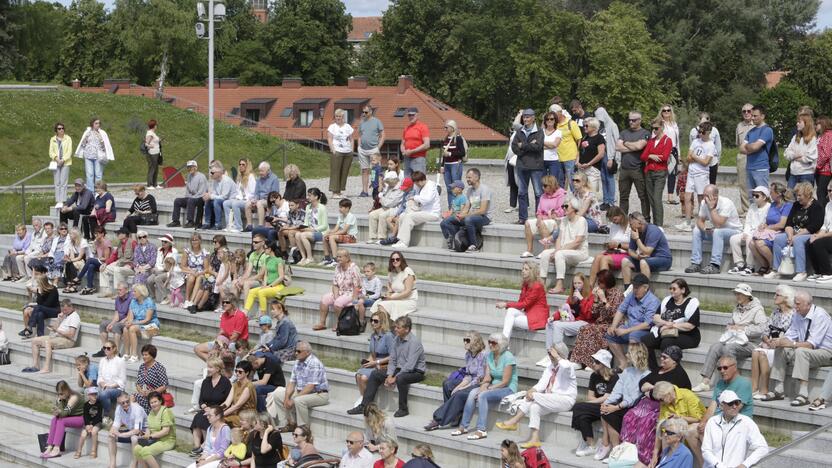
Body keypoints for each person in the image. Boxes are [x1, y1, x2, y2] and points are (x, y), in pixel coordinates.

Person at [496, 345, 577, 449]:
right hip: (551, 398)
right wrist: (532, 390)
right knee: (534, 407)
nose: (549, 356)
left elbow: (565, 365)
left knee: (534, 397)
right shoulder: (550, 367)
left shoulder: (568, 366)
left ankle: (514, 421)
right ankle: (535, 439)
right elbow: (541, 384)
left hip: (566, 400)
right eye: (549, 353)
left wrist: (557, 356)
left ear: (559, 354)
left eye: (551, 354)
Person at [692, 283, 767, 393]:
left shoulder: (757, 309)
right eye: (736, 294)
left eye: (740, 294)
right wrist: (730, 327)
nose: (737, 296)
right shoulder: (736, 308)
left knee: (729, 348)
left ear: (747, 296)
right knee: (715, 347)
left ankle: (731, 382)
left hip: (752, 343)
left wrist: (742, 329)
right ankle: (705, 382)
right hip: (735, 340)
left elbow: (762, 328)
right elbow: (732, 324)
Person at [764, 290, 832, 405]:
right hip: (806, 351)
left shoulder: (820, 315)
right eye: (795, 303)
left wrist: (791, 344)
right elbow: (790, 336)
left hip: (825, 352)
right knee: (781, 348)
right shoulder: (797, 314)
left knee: (801, 351)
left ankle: (803, 394)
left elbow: (811, 344)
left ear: (808, 305)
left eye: (798, 304)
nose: (795, 307)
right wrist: (778, 341)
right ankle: (778, 389)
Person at [349, 317, 425, 417]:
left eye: (398, 328)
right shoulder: (396, 339)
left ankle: (403, 408)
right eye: (395, 327)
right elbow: (393, 360)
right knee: (376, 374)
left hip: (415, 371)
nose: (396, 330)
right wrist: (389, 375)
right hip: (400, 368)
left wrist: (395, 377)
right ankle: (365, 405)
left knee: (401, 379)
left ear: (407, 329)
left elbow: (409, 366)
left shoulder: (414, 343)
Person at [452, 332, 516, 440]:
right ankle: (463, 426)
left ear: (501, 344)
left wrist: (488, 389)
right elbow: (487, 377)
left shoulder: (508, 357)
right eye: (489, 342)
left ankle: (481, 430)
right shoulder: (490, 355)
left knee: (482, 396)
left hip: (508, 388)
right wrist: (483, 387)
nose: (490, 345)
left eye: (494, 343)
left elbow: (505, 381)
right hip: (493, 385)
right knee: (473, 393)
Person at [424, 331, 486, 431]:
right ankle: (455, 416)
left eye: (467, 340)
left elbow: (480, 378)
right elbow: (468, 375)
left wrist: (462, 388)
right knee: (448, 384)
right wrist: (458, 386)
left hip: (480, 384)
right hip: (471, 381)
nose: (465, 342)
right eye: (464, 340)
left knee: (459, 393)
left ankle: (438, 420)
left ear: (475, 341)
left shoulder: (483, 356)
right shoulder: (468, 354)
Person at [766, 181, 824, 282]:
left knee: (798, 241)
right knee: (779, 238)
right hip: (793, 233)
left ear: (808, 194)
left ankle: (801, 272)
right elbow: (788, 224)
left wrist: (795, 236)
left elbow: (814, 227)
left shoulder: (817, 206)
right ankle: (776, 270)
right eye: (797, 195)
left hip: (809, 234)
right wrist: (790, 235)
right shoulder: (796, 205)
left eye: (800, 195)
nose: (797, 198)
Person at [567, 270, 625, 368]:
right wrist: (596, 299)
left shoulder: (617, 294)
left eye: (600, 282)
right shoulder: (601, 292)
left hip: (613, 324)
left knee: (594, 330)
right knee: (584, 328)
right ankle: (579, 361)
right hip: (601, 323)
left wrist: (603, 300)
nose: (598, 284)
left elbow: (613, 315)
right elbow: (593, 312)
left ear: (606, 282)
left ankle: (592, 363)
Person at [600, 343, 651, 452]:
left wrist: (617, 407)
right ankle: (615, 450)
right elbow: (617, 391)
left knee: (613, 414)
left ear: (636, 355)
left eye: (629, 353)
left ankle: (618, 450)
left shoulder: (647, 374)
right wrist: (607, 403)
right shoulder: (627, 371)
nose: (626, 355)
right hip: (624, 405)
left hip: (636, 407)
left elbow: (635, 397)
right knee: (607, 413)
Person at [267, 341, 330, 430]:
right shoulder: (297, 363)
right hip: (302, 392)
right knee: (277, 394)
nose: (296, 353)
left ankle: (303, 429)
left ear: (307, 352)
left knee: (298, 400)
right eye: (295, 351)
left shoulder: (314, 363)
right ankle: (286, 423)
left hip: (319, 394)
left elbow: (310, 386)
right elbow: (292, 382)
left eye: (299, 351)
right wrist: (286, 398)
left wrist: (292, 400)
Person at [642, 279, 701, 370]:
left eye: (674, 289)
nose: (671, 291)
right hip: (665, 331)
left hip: (688, 335)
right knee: (645, 339)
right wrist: (666, 323)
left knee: (666, 342)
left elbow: (690, 326)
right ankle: (654, 369)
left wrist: (671, 325)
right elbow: (656, 317)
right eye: (670, 288)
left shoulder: (691, 304)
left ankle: (669, 369)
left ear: (683, 290)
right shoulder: (667, 301)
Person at [702, 390, 769, 468]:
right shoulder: (712, 422)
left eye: (737, 403)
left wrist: (745, 464)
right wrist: (719, 465)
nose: (734, 406)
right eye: (730, 403)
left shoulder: (747, 422)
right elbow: (706, 451)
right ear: (721, 405)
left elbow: (763, 448)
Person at [606, 273, 659, 369]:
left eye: (637, 288)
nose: (634, 290)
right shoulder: (631, 295)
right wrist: (613, 326)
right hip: (629, 327)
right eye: (634, 287)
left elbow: (647, 324)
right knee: (610, 334)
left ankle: (635, 366)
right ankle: (623, 363)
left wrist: (626, 331)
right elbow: (621, 310)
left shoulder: (653, 301)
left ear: (645, 287)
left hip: (644, 331)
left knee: (633, 335)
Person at [750, 284, 795, 398]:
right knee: (755, 352)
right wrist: (768, 340)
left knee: (761, 354)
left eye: (777, 295)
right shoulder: (775, 312)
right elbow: (765, 331)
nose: (774, 297)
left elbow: (792, 336)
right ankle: (754, 387)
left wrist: (777, 342)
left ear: (786, 298)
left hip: (782, 347)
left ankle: (764, 389)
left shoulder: (794, 315)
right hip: (770, 344)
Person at [571, 349, 617, 457]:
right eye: (593, 360)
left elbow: (607, 398)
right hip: (597, 406)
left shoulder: (614, 377)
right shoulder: (594, 376)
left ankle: (586, 442)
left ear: (604, 364)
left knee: (578, 407)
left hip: (608, 406)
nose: (593, 363)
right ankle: (591, 445)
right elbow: (590, 396)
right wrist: (591, 403)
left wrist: (588, 404)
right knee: (583, 416)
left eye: (597, 361)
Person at [538, 197, 589, 294]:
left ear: (574, 208)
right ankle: (542, 283)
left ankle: (560, 284)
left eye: (566, 206)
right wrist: (557, 250)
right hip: (564, 251)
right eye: (563, 206)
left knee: (559, 254)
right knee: (545, 253)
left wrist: (558, 251)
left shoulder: (581, 221)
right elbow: (559, 238)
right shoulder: (564, 220)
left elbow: (577, 242)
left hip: (580, 252)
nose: (564, 208)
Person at [439, 168, 494, 252]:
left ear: (476, 177)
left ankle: (473, 245)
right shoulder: (469, 191)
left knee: (468, 219)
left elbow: (483, 210)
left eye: (469, 177)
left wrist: (466, 215)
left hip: (484, 217)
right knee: (447, 221)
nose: (467, 180)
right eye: (467, 177)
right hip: (472, 215)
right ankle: (458, 241)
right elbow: (467, 207)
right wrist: (460, 215)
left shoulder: (484, 189)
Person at [677, 121, 717, 232]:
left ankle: (701, 221)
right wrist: (694, 158)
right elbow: (688, 157)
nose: (700, 134)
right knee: (687, 197)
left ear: (708, 132)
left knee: (701, 199)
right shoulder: (695, 141)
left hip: (702, 174)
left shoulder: (711, 145)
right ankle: (687, 222)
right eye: (699, 131)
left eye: (702, 132)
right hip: (692, 172)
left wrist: (694, 157)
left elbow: (705, 162)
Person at [23, 299, 79, 374]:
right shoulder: (65, 315)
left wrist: (58, 331)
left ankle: (46, 368)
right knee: (34, 340)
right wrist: (59, 319)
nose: (64, 311)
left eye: (65, 309)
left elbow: (71, 334)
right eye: (62, 309)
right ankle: (36, 366)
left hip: (68, 340)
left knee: (47, 342)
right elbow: (55, 328)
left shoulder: (74, 317)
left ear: (71, 307)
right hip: (57, 336)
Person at [749, 182, 793, 275]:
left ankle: (773, 266)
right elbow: (768, 220)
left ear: (778, 194)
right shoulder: (772, 205)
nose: (770, 194)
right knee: (752, 243)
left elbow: (781, 224)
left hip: (779, 232)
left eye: (771, 192)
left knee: (760, 243)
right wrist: (764, 225)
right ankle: (765, 266)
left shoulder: (787, 205)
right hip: (769, 232)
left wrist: (768, 227)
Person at [190, 359, 232, 457]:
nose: (208, 369)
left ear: (217, 369)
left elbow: (227, 402)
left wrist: (214, 410)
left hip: (218, 410)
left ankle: (206, 447)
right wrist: (203, 406)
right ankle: (197, 447)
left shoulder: (225, 382)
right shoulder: (206, 381)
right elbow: (201, 400)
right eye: (208, 367)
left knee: (207, 419)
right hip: (206, 409)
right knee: (198, 417)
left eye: (210, 367)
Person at [497, 261, 548, 339]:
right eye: (523, 268)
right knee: (510, 312)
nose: (523, 271)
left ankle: (503, 343)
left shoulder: (537, 286)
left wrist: (506, 304)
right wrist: (509, 306)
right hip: (529, 314)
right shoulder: (526, 284)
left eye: (526, 269)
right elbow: (520, 304)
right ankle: (504, 343)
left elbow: (525, 304)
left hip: (537, 319)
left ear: (532, 271)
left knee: (510, 319)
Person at [620, 212, 672, 287]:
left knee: (643, 262)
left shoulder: (653, 230)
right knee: (625, 261)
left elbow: (647, 252)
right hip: (648, 259)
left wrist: (637, 239)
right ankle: (627, 290)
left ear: (639, 222)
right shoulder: (635, 231)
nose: (630, 227)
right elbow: (631, 251)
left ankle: (644, 291)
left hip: (664, 259)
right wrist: (637, 256)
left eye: (631, 224)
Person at [512, 108, 545, 224]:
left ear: (533, 118)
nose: (525, 119)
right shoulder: (519, 131)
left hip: (536, 166)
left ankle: (539, 217)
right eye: (524, 117)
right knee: (521, 193)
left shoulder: (540, 131)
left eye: (528, 117)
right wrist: (527, 146)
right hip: (522, 165)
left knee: (538, 193)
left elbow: (538, 147)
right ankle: (522, 218)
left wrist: (523, 146)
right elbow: (514, 147)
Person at [391, 171, 440, 249]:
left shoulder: (431, 186)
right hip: (422, 211)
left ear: (421, 180)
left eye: (417, 183)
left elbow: (427, 199)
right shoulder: (419, 186)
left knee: (409, 217)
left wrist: (415, 198)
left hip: (432, 214)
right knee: (403, 215)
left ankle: (404, 242)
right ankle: (400, 240)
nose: (416, 185)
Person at [314, 248, 361, 331]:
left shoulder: (354, 268)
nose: (338, 259)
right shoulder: (338, 267)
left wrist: (355, 302)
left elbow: (356, 287)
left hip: (351, 293)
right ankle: (322, 323)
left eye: (340, 257)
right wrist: (336, 295)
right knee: (324, 299)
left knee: (338, 302)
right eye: (337, 257)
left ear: (347, 258)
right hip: (340, 291)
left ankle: (340, 322)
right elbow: (335, 284)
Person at [520, 175, 566, 258]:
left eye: (545, 186)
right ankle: (529, 250)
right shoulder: (543, 196)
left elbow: (561, 211)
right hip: (544, 219)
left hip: (555, 220)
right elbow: (539, 211)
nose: (543, 188)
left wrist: (547, 216)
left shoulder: (561, 195)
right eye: (542, 185)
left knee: (542, 223)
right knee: (527, 223)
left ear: (551, 185)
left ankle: (545, 251)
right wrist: (539, 217)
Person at [728, 186, 771, 275]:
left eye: (757, 196)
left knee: (750, 239)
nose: (754, 197)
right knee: (733, 239)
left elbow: (765, 223)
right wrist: (745, 232)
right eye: (753, 195)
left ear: (764, 197)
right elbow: (748, 221)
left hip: (759, 233)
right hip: (750, 231)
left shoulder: (769, 207)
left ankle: (750, 266)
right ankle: (739, 264)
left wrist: (751, 233)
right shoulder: (752, 206)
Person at [617, 112, 651, 217]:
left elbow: (639, 147)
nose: (631, 122)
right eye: (629, 120)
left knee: (643, 196)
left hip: (638, 169)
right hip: (624, 169)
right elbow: (618, 147)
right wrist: (634, 146)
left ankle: (646, 218)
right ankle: (623, 219)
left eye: (634, 120)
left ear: (640, 120)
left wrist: (625, 143)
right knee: (623, 196)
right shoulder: (624, 132)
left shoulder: (645, 133)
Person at [40, 380, 84, 459]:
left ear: (66, 390)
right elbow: (60, 412)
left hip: (81, 418)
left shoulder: (74, 397)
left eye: (61, 393)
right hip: (71, 417)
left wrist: (59, 404)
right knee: (54, 419)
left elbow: (64, 414)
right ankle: (50, 446)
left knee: (61, 421)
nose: (59, 395)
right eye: (58, 393)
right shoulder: (63, 397)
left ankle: (56, 448)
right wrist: (56, 410)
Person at [641, 117, 673, 226]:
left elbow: (664, 157)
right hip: (649, 172)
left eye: (656, 128)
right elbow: (643, 156)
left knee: (657, 198)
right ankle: (653, 224)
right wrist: (651, 155)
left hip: (660, 172)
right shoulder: (651, 141)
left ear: (662, 127)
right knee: (650, 199)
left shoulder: (667, 140)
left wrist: (650, 156)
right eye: (653, 128)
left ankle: (659, 225)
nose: (654, 130)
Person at [243, 242, 287, 317]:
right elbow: (266, 275)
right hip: (268, 285)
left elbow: (281, 277)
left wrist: (270, 286)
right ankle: (245, 312)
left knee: (261, 292)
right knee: (252, 292)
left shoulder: (278, 260)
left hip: (278, 286)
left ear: (270, 249)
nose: (264, 250)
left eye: (265, 248)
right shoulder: (267, 260)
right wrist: (264, 284)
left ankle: (263, 315)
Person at [132, 391, 176, 468]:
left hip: (166, 441)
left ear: (160, 401)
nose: (153, 404)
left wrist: (151, 436)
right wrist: (145, 435)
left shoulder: (166, 411)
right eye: (151, 402)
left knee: (145, 451)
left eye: (155, 401)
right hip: (155, 440)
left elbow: (166, 431)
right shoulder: (151, 412)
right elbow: (149, 428)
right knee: (136, 449)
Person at [356, 310, 395, 397]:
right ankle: (363, 400)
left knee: (364, 377)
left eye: (376, 321)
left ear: (382, 322)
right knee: (358, 375)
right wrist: (367, 362)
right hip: (375, 363)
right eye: (371, 320)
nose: (373, 323)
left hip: (385, 364)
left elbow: (393, 356)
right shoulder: (373, 336)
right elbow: (373, 355)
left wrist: (376, 362)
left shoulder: (388, 336)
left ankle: (366, 402)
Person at [740, 105, 775, 198]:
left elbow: (755, 147)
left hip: (761, 169)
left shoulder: (767, 130)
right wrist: (751, 147)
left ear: (762, 116)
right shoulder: (751, 132)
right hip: (749, 168)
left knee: (762, 197)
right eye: (752, 115)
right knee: (752, 198)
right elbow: (741, 149)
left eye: (755, 116)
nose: (752, 118)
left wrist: (749, 146)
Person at [370, 252, 418, 320]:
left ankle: (384, 328)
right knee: (378, 302)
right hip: (397, 298)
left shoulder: (407, 271)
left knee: (383, 305)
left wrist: (391, 298)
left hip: (408, 300)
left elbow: (408, 292)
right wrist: (388, 294)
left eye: (397, 259)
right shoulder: (392, 273)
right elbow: (390, 289)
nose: (395, 261)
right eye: (393, 260)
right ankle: (381, 326)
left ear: (401, 260)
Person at [108, 392, 147, 468]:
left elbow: (137, 430)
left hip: (144, 431)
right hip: (131, 430)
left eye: (127, 401)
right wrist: (112, 431)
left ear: (129, 399)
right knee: (111, 437)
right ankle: (112, 464)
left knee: (134, 438)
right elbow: (115, 425)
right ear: (119, 403)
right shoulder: (119, 409)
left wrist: (121, 434)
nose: (125, 404)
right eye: (123, 403)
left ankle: (134, 464)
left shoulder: (137, 409)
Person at [123, 284, 160, 362]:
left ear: (141, 292)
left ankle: (134, 355)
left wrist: (133, 323)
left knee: (132, 328)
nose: (132, 293)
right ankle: (126, 354)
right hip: (139, 326)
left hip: (153, 328)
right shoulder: (133, 301)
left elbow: (147, 320)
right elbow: (130, 317)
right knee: (125, 329)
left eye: (135, 291)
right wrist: (129, 322)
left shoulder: (149, 302)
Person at [74, 118, 114, 191]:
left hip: (98, 157)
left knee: (98, 175)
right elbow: (82, 144)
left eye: (99, 123)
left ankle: (98, 191)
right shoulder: (87, 132)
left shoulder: (102, 133)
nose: (98, 125)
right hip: (88, 156)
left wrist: (104, 150)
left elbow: (106, 145)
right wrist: (85, 142)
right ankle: (90, 193)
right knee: (89, 175)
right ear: (92, 124)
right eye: (96, 123)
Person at [293, 188, 328, 266]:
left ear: (316, 197)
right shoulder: (308, 206)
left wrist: (312, 229)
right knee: (297, 234)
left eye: (310, 195)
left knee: (303, 235)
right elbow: (306, 222)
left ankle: (310, 257)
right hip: (310, 230)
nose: (308, 197)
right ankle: (303, 257)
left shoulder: (322, 208)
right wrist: (303, 227)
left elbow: (324, 226)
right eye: (308, 195)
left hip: (321, 232)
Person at [168, 160, 208, 228]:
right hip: (191, 197)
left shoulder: (201, 177)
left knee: (190, 200)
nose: (189, 169)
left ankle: (190, 221)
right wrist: (187, 197)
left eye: (191, 167)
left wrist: (191, 198)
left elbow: (202, 192)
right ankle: (176, 221)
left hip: (200, 198)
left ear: (196, 167)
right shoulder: (189, 176)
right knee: (177, 200)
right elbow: (188, 190)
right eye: (188, 167)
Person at [368, 172, 405, 244]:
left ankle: (381, 237)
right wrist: (382, 199)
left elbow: (390, 203)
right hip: (385, 207)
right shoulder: (389, 187)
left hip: (394, 209)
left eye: (388, 181)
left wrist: (382, 199)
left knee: (382, 215)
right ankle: (373, 237)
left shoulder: (400, 189)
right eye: (387, 181)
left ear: (394, 180)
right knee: (372, 214)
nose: (387, 183)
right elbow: (383, 199)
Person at [357, 106, 386, 197]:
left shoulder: (377, 121)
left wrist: (378, 147)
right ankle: (364, 191)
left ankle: (377, 189)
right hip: (362, 150)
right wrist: (359, 146)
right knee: (364, 170)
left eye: (366, 112)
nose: (364, 114)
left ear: (370, 112)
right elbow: (360, 135)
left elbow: (383, 135)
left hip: (373, 149)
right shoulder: (362, 122)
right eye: (363, 112)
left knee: (375, 170)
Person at [326, 109, 354, 199]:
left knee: (344, 171)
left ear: (343, 117)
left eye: (340, 116)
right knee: (335, 171)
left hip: (347, 151)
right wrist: (332, 149)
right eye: (337, 116)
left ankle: (340, 191)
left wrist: (352, 149)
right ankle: (334, 191)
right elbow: (329, 138)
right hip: (337, 151)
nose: (338, 118)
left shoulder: (348, 126)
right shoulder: (332, 127)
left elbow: (351, 138)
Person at [321, 198, 358, 266]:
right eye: (339, 207)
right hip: (344, 236)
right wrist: (328, 232)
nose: (339, 209)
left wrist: (332, 234)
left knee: (331, 237)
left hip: (351, 237)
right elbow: (335, 229)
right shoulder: (340, 216)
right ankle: (327, 258)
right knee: (325, 236)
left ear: (347, 208)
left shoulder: (351, 216)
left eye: (341, 207)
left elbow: (344, 231)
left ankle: (335, 259)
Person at [133, 344, 169, 414]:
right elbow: (138, 383)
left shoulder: (158, 368)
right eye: (143, 355)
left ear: (152, 356)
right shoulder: (142, 366)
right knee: (132, 397)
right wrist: (141, 392)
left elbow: (164, 385)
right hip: (144, 394)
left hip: (156, 395)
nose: (144, 357)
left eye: (146, 355)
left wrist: (152, 393)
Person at [223, 158, 256, 233]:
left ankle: (238, 227)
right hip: (241, 199)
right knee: (226, 203)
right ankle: (229, 225)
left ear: (247, 166)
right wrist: (237, 197)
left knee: (235, 204)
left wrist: (243, 199)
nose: (241, 166)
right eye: (240, 164)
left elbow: (252, 192)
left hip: (248, 200)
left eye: (243, 164)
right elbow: (238, 191)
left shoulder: (251, 177)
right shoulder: (239, 177)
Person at [20, 274, 58, 338]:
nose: (37, 284)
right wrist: (39, 293)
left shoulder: (53, 289)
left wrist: (34, 307)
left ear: (42, 282)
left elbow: (47, 304)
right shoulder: (40, 289)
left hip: (53, 310)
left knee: (38, 308)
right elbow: (39, 302)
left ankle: (29, 327)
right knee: (40, 314)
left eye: (38, 282)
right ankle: (40, 336)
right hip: (42, 310)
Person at [655, 105, 680, 205]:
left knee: (672, 174)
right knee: (661, 172)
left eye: (668, 110)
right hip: (663, 148)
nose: (666, 112)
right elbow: (655, 137)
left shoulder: (674, 124)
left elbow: (677, 140)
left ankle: (670, 196)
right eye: (664, 110)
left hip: (673, 150)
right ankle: (657, 194)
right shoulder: (660, 124)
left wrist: (679, 154)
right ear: (661, 112)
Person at [96, 339, 127, 417]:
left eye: (108, 348)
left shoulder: (120, 361)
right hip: (103, 386)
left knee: (103, 394)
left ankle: (107, 414)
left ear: (114, 349)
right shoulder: (102, 360)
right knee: (89, 391)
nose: (106, 350)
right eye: (104, 348)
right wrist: (102, 383)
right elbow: (100, 376)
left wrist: (110, 386)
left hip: (116, 388)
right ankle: (94, 415)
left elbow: (122, 381)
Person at [786, 113, 818, 188]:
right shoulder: (795, 137)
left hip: (806, 174)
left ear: (806, 123)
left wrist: (794, 157)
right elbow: (787, 153)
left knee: (804, 198)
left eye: (799, 122)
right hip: (793, 174)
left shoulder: (812, 139)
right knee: (789, 198)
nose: (797, 124)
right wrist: (795, 155)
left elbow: (809, 157)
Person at [202, 163, 238, 230]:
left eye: (212, 173)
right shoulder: (215, 180)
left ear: (218, 173)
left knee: (216, 201)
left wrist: (211, 196)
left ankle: (218, 224)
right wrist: (208, 196)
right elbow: (215, 193)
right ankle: (207, 223)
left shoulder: (226, 181)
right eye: (210, 172)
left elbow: (224, 196)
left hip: (230, 200)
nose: (210, 174)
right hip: (222, 200)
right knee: (208, 201)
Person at [439, 119, 467, 205]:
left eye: (446, 127)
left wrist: (450, 153)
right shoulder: (446, 138)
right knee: (449, 188)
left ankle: (458, 207)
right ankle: (451, 208)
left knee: (456, 188)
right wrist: (442, 166)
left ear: (452, 128)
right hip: (447, 165)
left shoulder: (458, 138)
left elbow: (462, 152)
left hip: (455, 164)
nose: (445, 129)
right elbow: (444, 153)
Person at [577, 117, 606, 194]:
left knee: (592, 194)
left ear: (593, 127)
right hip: (581, 168)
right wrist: (577, 162)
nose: (584, 127)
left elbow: (601, 154)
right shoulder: (585, 137)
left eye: (587, 126)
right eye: (584, 125)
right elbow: (579, 151)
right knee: (581, 193)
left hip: (592, 169)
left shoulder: (599, 138)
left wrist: (589, 164)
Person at [736, 104, 755, 215]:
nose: (746, 113)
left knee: (755, 182)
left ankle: (756, 207)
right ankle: (745, 208)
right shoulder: (739, 126)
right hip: (742, 156)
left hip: (754, 155)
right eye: (744, 111)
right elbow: (738, 143)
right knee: (743, 183)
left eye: (749, 111)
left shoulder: (757, 125)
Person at [401, 107, 430, 177]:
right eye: (409, 115)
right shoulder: (406, 128)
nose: (411, 117)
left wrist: (412, 151)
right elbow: (402, 144)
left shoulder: (423, 127)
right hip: (407, 158)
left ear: (418, 115)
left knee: (419, 181)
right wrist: (404, 151)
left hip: (418, 158)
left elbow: (427, 144)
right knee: (407, 181)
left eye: (412, 115)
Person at [50, 122, 74, 207]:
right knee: (57, 182)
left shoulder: (68, 138)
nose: (61, 130)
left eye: (62, 128)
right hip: (56, 163)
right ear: (56, 130)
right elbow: (51, 152)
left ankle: (63, 200)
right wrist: (56, 158)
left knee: (63, 182)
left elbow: (69, 151)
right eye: (59, 129)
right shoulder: (52, 139)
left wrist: (63, 159)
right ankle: (58, 200)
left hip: (65, 163)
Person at [74, 386, 102, 459]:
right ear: (89, 395)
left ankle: (93, 450)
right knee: (83, 434)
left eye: (95, 394)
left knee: (94, 432)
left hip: (97, 423)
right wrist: (87, 425)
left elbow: (99, 416)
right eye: (92, 394)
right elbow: (85, 416)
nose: (94, 396)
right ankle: (79, 450)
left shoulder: (99, 404)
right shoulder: (86, 405)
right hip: (88, 423)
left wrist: (92, 425)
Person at [253, 161, 281, 227]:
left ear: (268, 171)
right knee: (247, 204)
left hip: (269, 200)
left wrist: (264, 200)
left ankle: (260, 225)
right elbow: (256, 192)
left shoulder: (274, 179)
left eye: (262, 171)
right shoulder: (258, 179)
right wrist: (255, 199)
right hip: (259, 200)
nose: (260, 173)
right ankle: (249, 225)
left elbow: (274, 195)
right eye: (259, 171)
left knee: (259, 203)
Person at [816, 116, 832, 206]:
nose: (816, 126)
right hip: (820, 169)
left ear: (823, 124)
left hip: (825, 170)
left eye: (818, 124)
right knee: (821, 193)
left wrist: (817, 165)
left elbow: (826, 154)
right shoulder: (821, 135)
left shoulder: (828, 135)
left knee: (821, 193)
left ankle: (822, 216)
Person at [144, 119, 162, 188]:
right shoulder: (150, 133)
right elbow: (146, 143)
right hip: (152, 153)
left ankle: (155, 184)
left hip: (156, 152)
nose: (157, 126)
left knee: (156, 168)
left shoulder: (153, 133)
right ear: (154, 126)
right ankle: (150, 184)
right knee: (152, 168)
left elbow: (155, 140)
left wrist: (159, 140)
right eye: (156, 125)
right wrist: (150, 146)